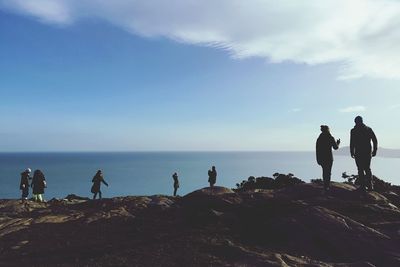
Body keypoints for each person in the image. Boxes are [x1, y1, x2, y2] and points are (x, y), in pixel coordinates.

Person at [350, 116, 378, 192]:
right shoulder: (368, 129)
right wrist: (374, 150)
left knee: (361, 169)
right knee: (367, 169)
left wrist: (352, 152)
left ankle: (363, 186)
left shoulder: (354, 130)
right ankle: (369, 186)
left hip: (359, 152)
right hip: (367, 152)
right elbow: (374, 140)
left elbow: (352, 142)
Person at [316, 125, 340, 193]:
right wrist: (338, 143)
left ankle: (325, 186)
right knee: (328, 172)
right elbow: (335, 147)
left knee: (324, 172)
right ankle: (327, 186)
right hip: (329, 158)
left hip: (322, 158)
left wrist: (318, 159)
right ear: (327, 130)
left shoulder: (319, 138)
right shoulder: (330, 137)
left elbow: (317, 150)